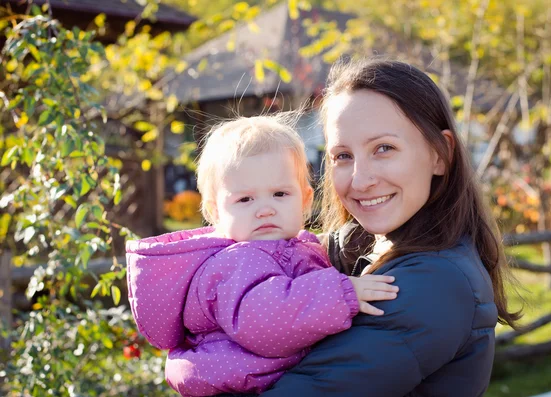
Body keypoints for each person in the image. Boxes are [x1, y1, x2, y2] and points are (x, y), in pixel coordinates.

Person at [249, 58, 522, 396]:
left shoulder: (435, 283)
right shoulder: (365, 245)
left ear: (440, 154)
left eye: (384, 148)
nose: (360, 181)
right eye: (343, 156)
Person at [126, 115, 399, 396]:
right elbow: (267, 322)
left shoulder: (292, 247)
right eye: (245, 199)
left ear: (305, 200)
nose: (265, 209)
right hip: (244, 385)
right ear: (215, 211)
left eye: (280, 194)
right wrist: (341, 294)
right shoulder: (236, 261)